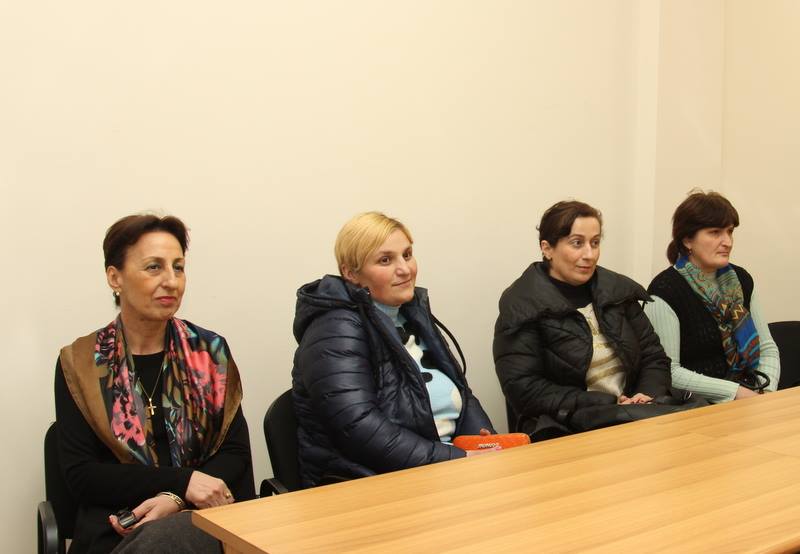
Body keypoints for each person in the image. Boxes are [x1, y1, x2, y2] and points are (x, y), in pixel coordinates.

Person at [55, 214, 255, 554]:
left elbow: (235, 453)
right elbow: (82, 475)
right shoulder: (81, 362)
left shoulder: (209, 352)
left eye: (178, 267)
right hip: (119, 522)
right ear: (115, 277)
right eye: (154, 267)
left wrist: (175, 499)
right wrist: (182, 482)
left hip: (202, 514)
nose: (171, 281)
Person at [292, 212, 496, 488]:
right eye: (385, 260)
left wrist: (486, 444)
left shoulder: (409, 313)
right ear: (351, 273)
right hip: (366, 484)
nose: (405, 269)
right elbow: (358, 426)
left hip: (439, 470)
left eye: (407, 255)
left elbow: (462, 391)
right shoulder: (334, 328)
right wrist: (457, 458)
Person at [494, 200, 671, 439]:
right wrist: (606, 403)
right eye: (577, 243)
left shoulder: (618, 291)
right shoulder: (522, 304)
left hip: (638, 415)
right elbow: (524, 389)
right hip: (569, 428)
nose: (590, 254)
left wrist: (645, 395)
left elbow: (653, 356)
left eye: (595, 243)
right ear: (547, 248)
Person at [645, 191, 780, 402]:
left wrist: (766, 394)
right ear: (687, 240)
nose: (727, 242)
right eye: (715, 232)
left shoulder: (742, 279)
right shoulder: (665, 290)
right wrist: (735, 392)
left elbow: (767, 348)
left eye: (730, 231)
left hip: (752, 395)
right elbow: (669, 371)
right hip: (697, 406)